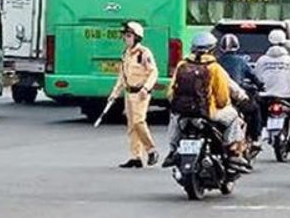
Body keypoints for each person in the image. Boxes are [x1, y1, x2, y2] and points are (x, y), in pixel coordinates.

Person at [161, 32, 247, 169]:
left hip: (183, 112)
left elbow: (171, 92)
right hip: (208, 112)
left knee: (174, 118)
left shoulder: (182, 65)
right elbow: (222, 98)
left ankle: (172, 151)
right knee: (234, 118)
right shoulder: (214, 68)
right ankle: (232, 152)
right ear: (213, 49)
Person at [109, 21, 159, 168]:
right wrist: (114, 93)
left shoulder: (143, 53)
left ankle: (151, 150)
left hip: (140, 93)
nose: (126, 38)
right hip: (129, 93)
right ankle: (136, 156)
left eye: (129, 36)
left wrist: (146, 88)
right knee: (132, 126)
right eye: (125, 36)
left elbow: (153, 72)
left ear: (137, 37)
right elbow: (122, 76)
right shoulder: (126, 54)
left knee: (138, 122)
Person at [254, 30, 290, 133]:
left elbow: (257, 79)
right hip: (288, 97)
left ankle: (259, 128)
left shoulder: (261, 60)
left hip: (266, 97)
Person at [217, 34, 263, 146]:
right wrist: (260, 85)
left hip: (219, 96)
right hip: (236, 96)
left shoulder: (216, 62)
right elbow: (252, 76)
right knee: (255, 109)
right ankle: (255, 138)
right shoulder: (241, 61)